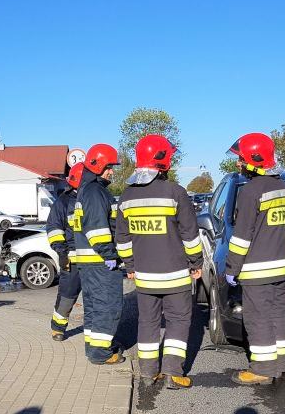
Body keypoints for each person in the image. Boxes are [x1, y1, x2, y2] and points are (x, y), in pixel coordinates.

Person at [116, 134, 203, 389]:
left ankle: (147, 372)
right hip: (176, 275)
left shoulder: (127, 196)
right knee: (178, 320)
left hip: (144, 277)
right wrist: (196, 262)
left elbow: (122, 239)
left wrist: (130, 266)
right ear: (163, 160)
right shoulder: (176, 193)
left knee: (148, 322)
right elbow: (190, 235)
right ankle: (173, 373)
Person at [224, 133, 285, 385]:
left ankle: (262, 369)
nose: (238, 164)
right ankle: (278, 365)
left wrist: (232, 267)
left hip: (257, 270)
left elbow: (242, 236)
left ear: (253, 159)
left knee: (258, 318)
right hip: (281, 267)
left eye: (240, 159)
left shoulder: (251, 191)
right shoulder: (282, 187)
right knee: (277, 316)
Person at [73, 143, 125, 365]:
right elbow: (98, 230)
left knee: (94, 306)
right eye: (109, 167)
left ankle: (92, 347)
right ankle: (101, 353)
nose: (112, 171)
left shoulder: (86, 190)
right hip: (100, 262)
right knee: (107, 306)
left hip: (89, 263)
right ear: (98, 165)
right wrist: (110, 255)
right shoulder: (95, 192)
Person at [46, 162, 84, 341]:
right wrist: (62, 252)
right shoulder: (63, 202)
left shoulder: (94, 198)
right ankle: (58, 328)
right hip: (72, 260)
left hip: (94, 260)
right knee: (67, 297)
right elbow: (54, 229)